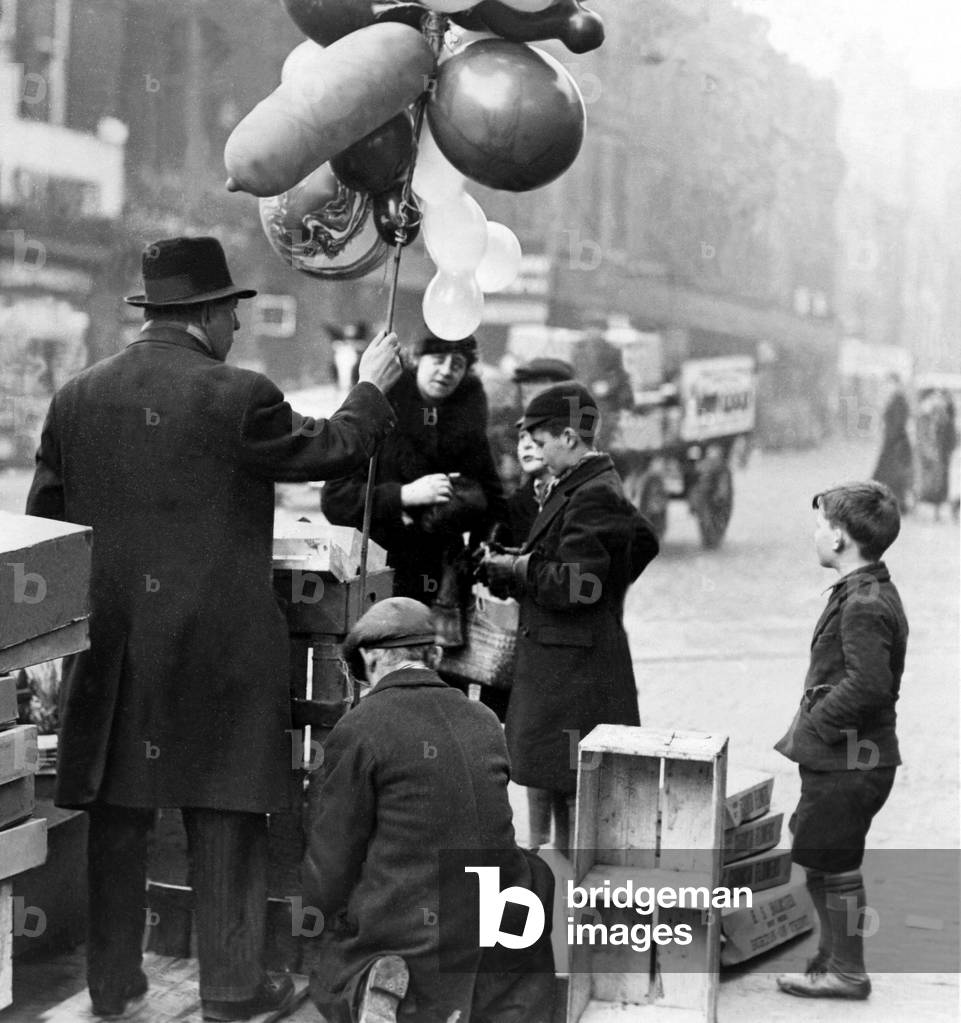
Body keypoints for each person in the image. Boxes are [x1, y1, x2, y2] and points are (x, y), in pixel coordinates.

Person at [25, 236, 401, 1021]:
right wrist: (368, 387)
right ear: (205, 314)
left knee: (118, 815)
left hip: (115, 647)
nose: (237, 323)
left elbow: (45, 527)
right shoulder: (239, 396)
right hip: (218, 651)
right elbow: (333, 447)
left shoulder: (76, 398)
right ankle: (231, 988)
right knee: (225, 809)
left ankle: (112, 984)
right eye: (232, 308)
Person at [303, 597, 555, 1023]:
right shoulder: (484, 719)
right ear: (435, 656)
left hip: (406, 929)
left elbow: (331, 862)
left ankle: (369, 985)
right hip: (489, 919)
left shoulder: (359, 728)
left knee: (332, 969)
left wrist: (321, 910)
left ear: (370, 660)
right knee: (535, 875)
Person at [481, 383, 660, 856]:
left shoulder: (592, 493)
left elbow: (576, 584)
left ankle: (572, 902)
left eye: (540, 442)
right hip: (570, 664)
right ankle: (563, 891)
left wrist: (516, 569)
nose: (533, 451)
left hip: (571, 672)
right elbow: (644, 540)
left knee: (576, 796)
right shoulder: (585, 486)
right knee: (562, 784)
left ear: (567, 437)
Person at [774, 481, 908, 1000]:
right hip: (846, 757)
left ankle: (848, 971)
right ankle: (833, 956)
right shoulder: (864, 590)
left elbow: (869, 683)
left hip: (850, 760)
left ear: (840, 540)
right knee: (821, 851)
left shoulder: (864, 604)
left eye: (820, 525)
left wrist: (815, 725)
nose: (815, 534)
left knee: (836, 860)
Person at [322, 332, 506, 661]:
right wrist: (406, 495)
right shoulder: (377, 417)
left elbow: (494, 501)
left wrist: (469, 519)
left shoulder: (468, 427)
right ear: (418, 360)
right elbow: (336, 499)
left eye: (458, 364)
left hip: (442, 589)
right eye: (438, 359)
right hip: (377, 575)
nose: (447, 370)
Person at [871, 373, 913, 509]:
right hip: (894, 441)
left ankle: (896, 503)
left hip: (896, 443)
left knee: (892, 475)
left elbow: (898, 423)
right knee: (891, 475)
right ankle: (895, 503)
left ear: (896, 384)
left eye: (890, 384)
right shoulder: (896, 400)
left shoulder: (899, 400)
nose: (888, 387)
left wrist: (890, 437)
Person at [915, 389, 957, 520]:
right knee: (925, 484)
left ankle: (936, 513)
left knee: (938, 485)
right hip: (928, 457)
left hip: (940, 458)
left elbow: (950, 439)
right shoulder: (925, 418)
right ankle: (921, 510)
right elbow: (922, 437)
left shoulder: (944, 420)